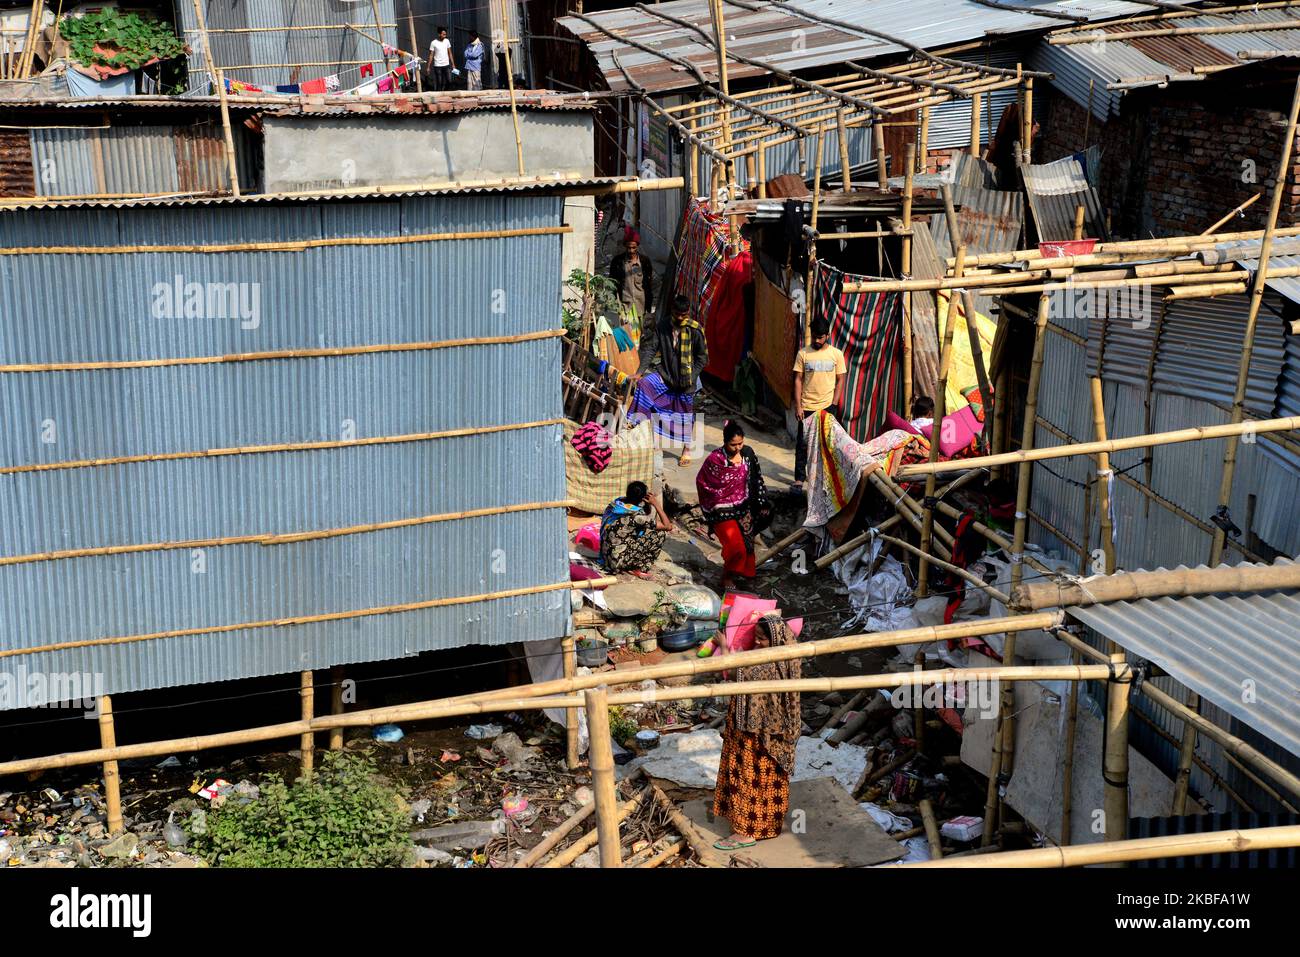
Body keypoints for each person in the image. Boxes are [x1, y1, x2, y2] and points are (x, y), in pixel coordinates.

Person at [711, 611, 801, 850]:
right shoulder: (786, 659)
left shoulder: (767, 666)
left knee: (750, 778)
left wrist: (724, 646)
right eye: (756, 637)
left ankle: (746, 832)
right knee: (763, 780)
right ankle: (763, 826)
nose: (757, 643)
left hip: (758, 735)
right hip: (761, 732)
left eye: (762, 639)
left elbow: (730, 672)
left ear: (776, 640)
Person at [631, 294, 708, 466]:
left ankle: (687, 448)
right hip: (665, 375)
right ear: (672, 311)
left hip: (688, 381)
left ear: (688, 313)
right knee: (644, 385)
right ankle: (641, 431)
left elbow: (702, 359)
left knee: (686, 415)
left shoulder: (695, 330)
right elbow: (651, 349)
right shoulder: (663, 326)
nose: (680, 318)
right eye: (677, 315)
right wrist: (639, 372)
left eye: (684, 315)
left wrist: (692, 377)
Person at [696, 421, 771, 590]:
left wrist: (762, 501)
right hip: (721, 509)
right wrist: (716, 498)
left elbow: (757, 478)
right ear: (724, 442)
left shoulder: (748, 454)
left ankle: (743, 576)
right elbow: (702, 481)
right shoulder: (715, 459)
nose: (737, 448)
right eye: (733, 444)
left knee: (747, 545)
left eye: (740, 443)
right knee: (735, 547)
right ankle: (726, 578)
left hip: (744, 507)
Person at [791, 317, 846, 492]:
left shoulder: (836, 354)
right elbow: (798, 380)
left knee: (826, 444)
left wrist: (835, 404)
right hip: (807, 406)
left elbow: (841, 379)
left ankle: (824, 478)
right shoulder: (803, 354)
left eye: (820, 337)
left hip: (827, 406)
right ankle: (799, 479)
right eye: (814, 336)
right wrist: (798, 406)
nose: (817, 340)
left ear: (828, 335)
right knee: (802, 443)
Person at [599, 481, 673, 577]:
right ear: (643, 498)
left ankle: (628, 561)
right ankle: (637, 567)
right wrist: (656, 503)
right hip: (616, 563)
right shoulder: (637, 517)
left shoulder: (616, 503)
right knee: (660, 534)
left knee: (639, 532)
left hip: (605, 556)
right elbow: (668, 526)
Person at [608, 228, 654, 339]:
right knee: (626, 333)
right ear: (625, 246)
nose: (631, 250)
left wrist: (648, 305)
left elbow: (649, 283)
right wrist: (615, 302)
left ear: (637, 246)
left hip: (640, 305)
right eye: (628, 247)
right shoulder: (617, 262)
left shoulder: (644, 262)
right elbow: (612, 283)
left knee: (639, 334)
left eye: (633, 247)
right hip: (625, 304)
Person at [427, 27, 454, 91]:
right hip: (437, 65)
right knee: (439, 82)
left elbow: (450, 53)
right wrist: (428, 67)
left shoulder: (447, 41)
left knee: (449, 81)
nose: (445, 36)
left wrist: (453, 64)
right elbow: (431, 55)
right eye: (443, 34)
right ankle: (439, 96)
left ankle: (445, 93)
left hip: (446, 65)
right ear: (439, 34)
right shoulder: (433, 43)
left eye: (445, 34)